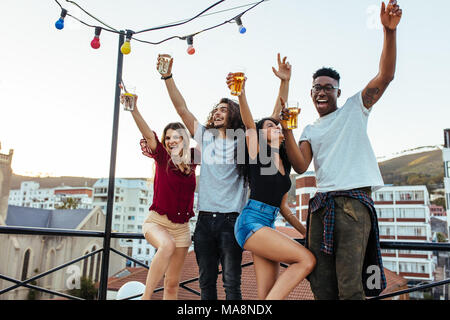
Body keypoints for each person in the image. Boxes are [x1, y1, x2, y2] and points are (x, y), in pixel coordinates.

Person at [281, 0, 403, 300]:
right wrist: (287, 128)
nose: (321, 91)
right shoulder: (309, 128)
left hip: (353, 205)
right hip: (321, 208)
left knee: (350, 287)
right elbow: (299, 166)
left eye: (328, 87)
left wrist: (388, 33)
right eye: (316, 87)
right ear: (311, 94)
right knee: (322, 286)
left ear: (338, 90)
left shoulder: (354, 107)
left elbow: (385, 77)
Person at [227, 56, 316, 300]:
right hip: (250, 223)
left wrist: (306, 232)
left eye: (277, 126)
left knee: (266, 294)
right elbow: (248, 124)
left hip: (267, 225)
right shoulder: (258, 154)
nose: (275, 127)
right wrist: (241, 93)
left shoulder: (284, 166)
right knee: (306, 260)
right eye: (268, 126)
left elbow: (285, 208)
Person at [123, 90, 198, 300]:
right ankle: (145, 298)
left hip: (182, 229)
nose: (172, 140)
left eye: (176, 137)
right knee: (166, 245)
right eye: (168, 138)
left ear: (184, 139)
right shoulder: (162, 157)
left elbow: (210, 140)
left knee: (172, 284)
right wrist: (134, 109)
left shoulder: (193, 159)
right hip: (156, 223)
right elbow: (148, 134)